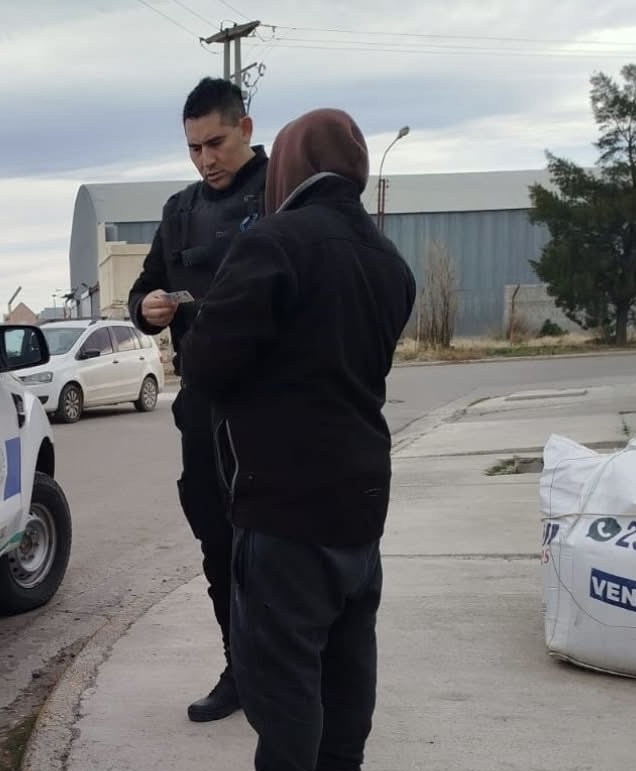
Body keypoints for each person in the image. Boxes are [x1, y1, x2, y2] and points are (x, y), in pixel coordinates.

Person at [179, 108, 416, 770]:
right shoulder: (390, 262)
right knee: (347, 681)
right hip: (362, 505)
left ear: (290, 165)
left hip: (285, 512)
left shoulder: (273, 244)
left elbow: (206, 365)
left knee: (283, 694)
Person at [126, 77, 268, 722]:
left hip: (274, 407)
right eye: (193, 148)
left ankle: (295, 671)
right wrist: (147, 309)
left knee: (280, 551)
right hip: (203, 409)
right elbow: (143, 290)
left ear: (245, 128)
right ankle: (241, 670)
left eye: (216, 143)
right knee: (218, 544)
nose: (206, 160)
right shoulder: (179, 211)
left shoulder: (284, 193)